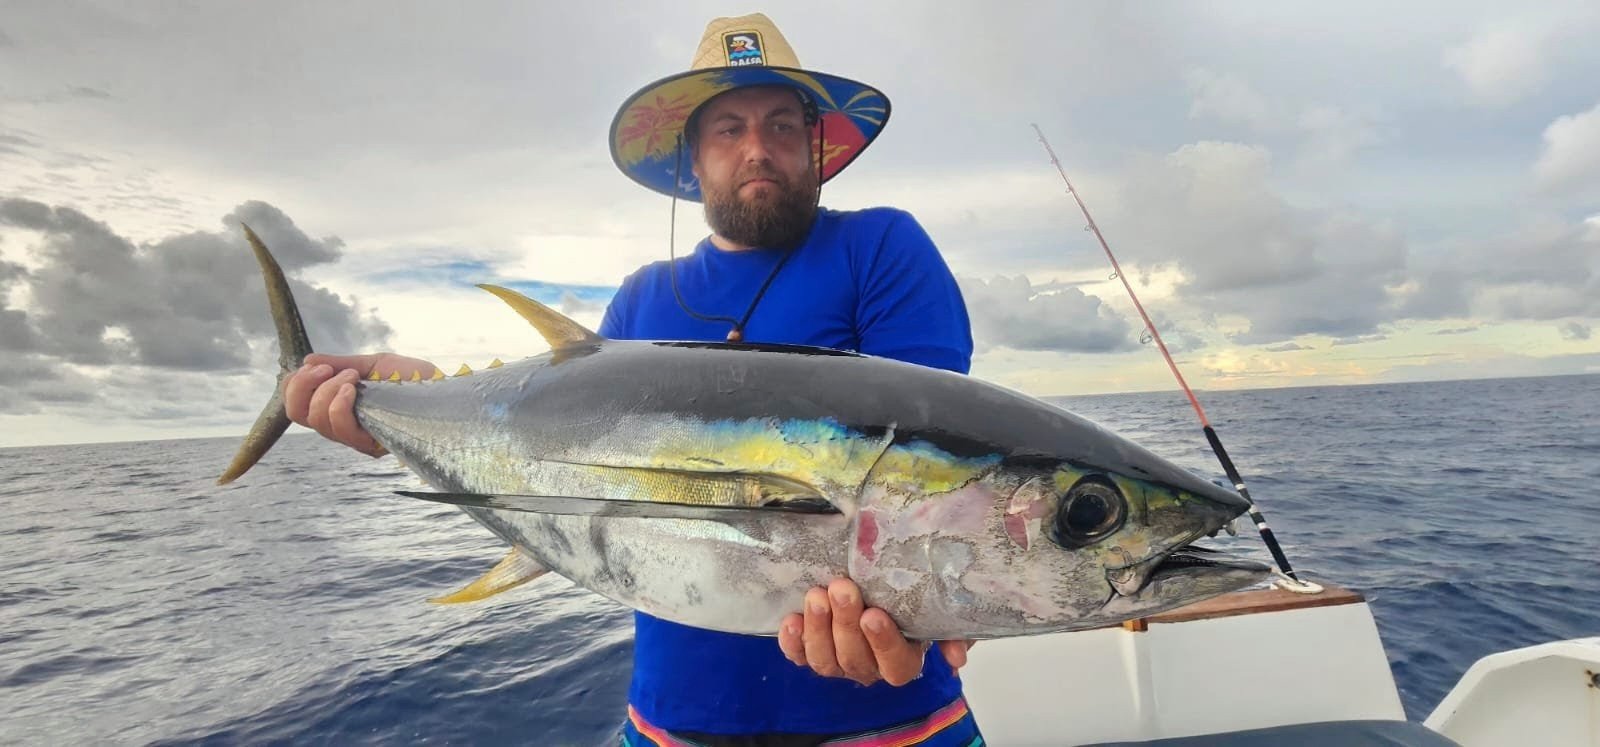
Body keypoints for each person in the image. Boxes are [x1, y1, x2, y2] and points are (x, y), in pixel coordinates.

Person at [281, 13, 984, 746]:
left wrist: (947, 612)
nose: (758, 149)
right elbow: (552, 448)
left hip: (897, 722)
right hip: (671, 722)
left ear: (814, 144)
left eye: (782, 126)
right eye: (729, 129)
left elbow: (933, 480)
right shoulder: (641, 298)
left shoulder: (879, 247)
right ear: (692, 157)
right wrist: (411, 401)